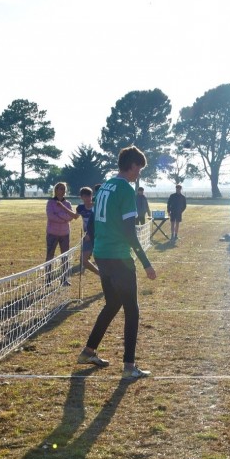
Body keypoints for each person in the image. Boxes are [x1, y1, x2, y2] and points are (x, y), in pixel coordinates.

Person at [78, 145, 157, 379]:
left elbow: (92, 221)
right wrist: (145, 262)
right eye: (139, 169)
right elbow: (129, 231)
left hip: (103, 253)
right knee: (132, 311)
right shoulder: (124, 189)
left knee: (112, 304)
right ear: (132, 166)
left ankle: (88, 351)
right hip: (119, 257)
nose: (138, 174)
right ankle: (129, 366)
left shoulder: (105, 187)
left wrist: (93, 247)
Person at [45, 182, 79, 285]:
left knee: (65, 256)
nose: (62, 191)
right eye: (60, 188)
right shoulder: (50, 202)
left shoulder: (68, 203)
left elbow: (71, 217)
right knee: (50, 256)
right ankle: (48, 279)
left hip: (65, 234)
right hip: (52, 233)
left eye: (64, 189)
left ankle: (64, 279)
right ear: (55, 190)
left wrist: (59, 215)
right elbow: (51, 216)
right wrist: (64, 217)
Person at [76, 187, 99, 276]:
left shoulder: (96, 206)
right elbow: (74, 216)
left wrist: (90, 233)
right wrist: (62, 207)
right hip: (87, 237)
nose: (87, 198)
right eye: (84, 196)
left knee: (101, 259)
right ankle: (101, 274)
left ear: (92, 196)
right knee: (84, 260)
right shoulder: (80, 207)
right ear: (81, 197)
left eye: (89, 196)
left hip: (97, 236)